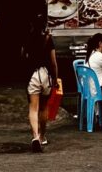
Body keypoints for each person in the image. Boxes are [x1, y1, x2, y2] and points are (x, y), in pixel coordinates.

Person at [24, 14, 58, 152]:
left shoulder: (28, 38)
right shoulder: (48, 39)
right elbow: (53, 62)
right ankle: (43, 136)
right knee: (44, 107)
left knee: (33, 108)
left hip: (33, 74)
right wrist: (55, 78)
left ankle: (35, 136)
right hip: (46, 75)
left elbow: (23, 56)